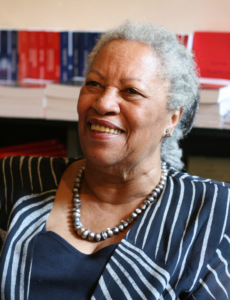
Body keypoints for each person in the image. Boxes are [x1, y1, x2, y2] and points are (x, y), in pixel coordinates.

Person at [0, 20, 230, 300]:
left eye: (131, 91)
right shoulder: (13, 179)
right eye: (94, 84)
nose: (103, 103)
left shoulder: (213, 213)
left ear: (172, 117)